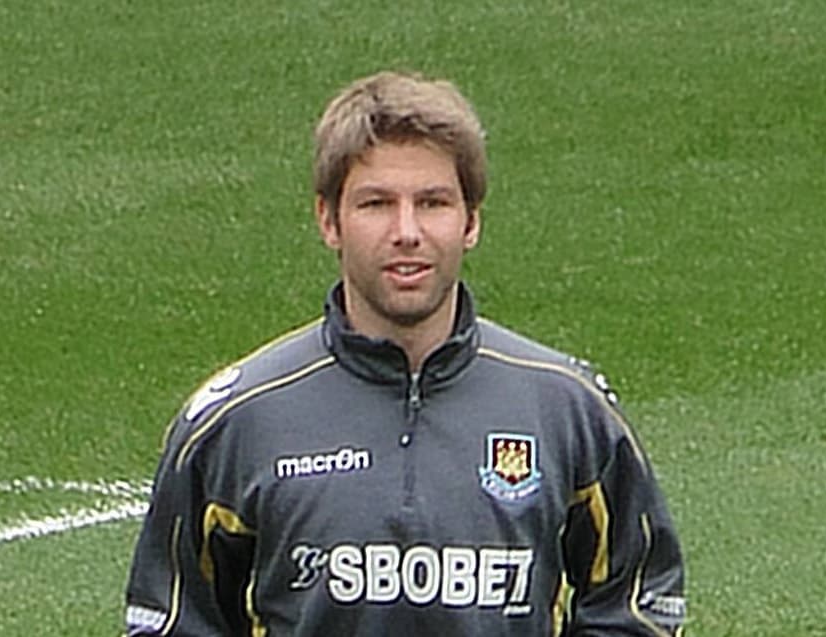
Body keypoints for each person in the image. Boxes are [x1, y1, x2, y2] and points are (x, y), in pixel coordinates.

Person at [124, 70, 687, 636]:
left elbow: (638, 603)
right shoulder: (237, 420)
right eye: (376, 204)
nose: (407, 231)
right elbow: (172, 622)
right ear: (329, 220)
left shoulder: (565, 409)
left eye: (433, 202)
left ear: (471, 221)